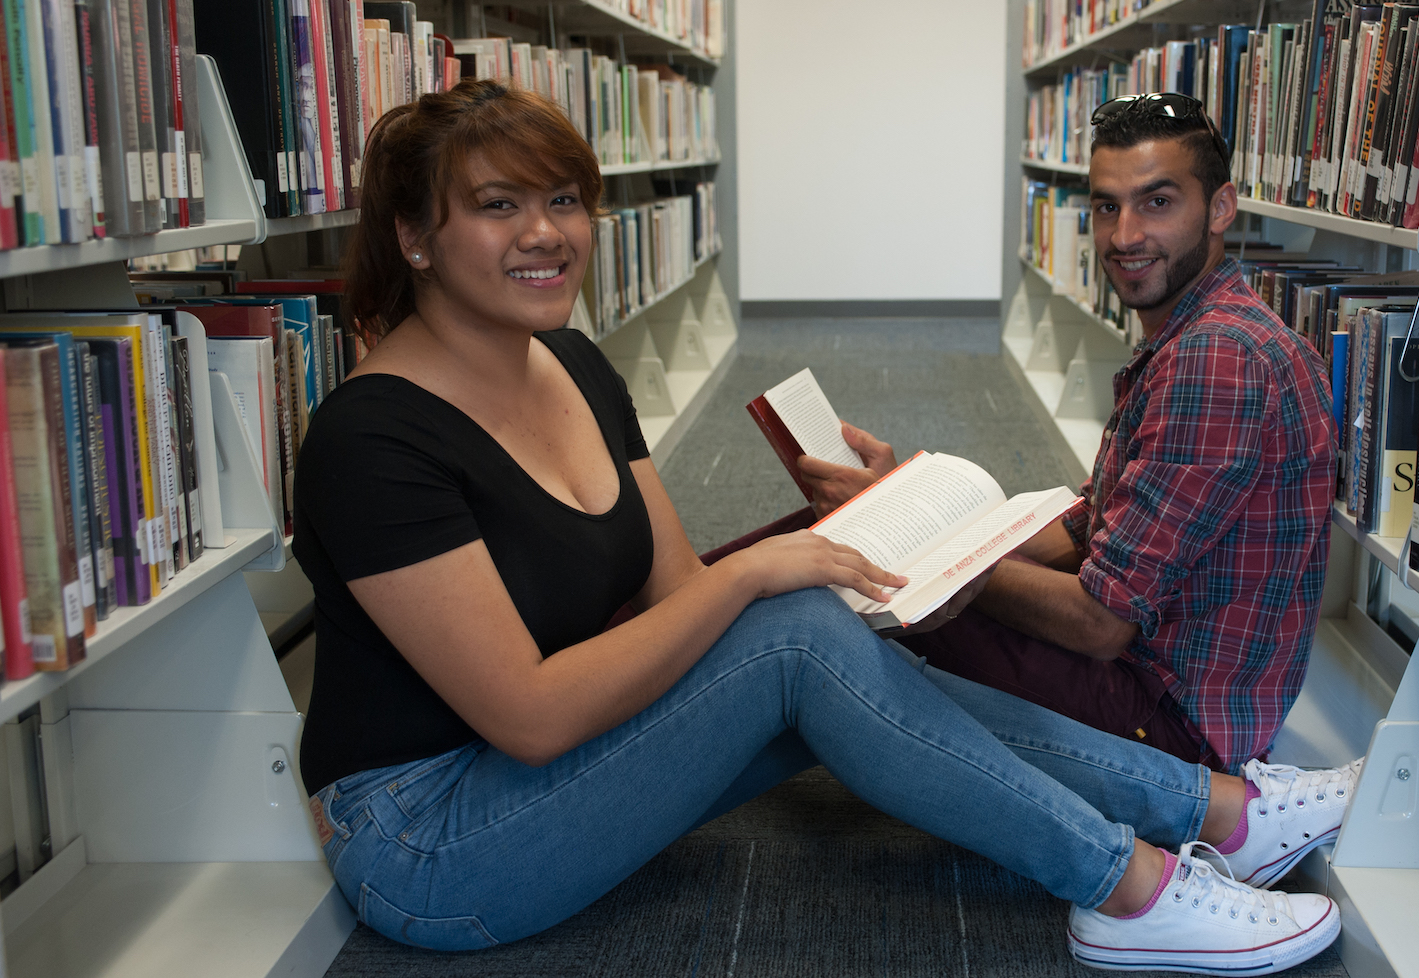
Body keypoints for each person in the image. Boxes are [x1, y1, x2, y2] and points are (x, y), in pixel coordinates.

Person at [292, 80, 1355, 975]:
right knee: (797, 626)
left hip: (549, 751)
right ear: (414, 238)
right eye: (496, 203)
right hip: (435, 836)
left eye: (564, 198)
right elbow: (525, 715)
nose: (544, 233)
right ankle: (1127, 885)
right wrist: (763, 574)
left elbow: (668, 595)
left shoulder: (573, 366)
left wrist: (805, 563)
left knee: (822, 641)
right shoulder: (371, 440)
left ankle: (1216, 810)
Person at [794, 93, 1342, 790]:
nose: (1124, 236)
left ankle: (658, 658)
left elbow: (1098, 626)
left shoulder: (1218, 360)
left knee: (826, 592)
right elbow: (1091, 527)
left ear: (1222, 207)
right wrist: (902, 508)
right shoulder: (1205, 335)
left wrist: (932, 560)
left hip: (1172, 726)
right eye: (1108, 207)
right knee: (831, 557)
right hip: (1171, 681)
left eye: (1158, 202)